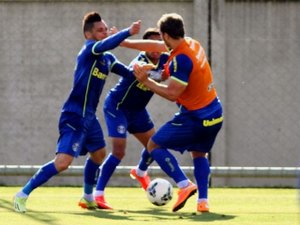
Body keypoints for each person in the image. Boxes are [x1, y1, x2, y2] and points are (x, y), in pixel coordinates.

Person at [13, 11, 141, 213]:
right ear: (88, 35)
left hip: (90, 117)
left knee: (99, 154)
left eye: (106, 29)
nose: (104, 33)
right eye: (100, 30)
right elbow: (106, 44)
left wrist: (151, 73)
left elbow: (129, 73)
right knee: (63, 163)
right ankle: (22, 194)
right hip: (74, 115)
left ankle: (88, 197)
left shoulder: (107, 59)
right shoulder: (90, 50)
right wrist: (128, 32)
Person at [123, 13, 223, 213]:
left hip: (196, 117)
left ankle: (184, 185)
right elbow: (157, 54)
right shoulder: (191, 43)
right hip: (215, 114)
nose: (160, 42)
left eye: (161, 37)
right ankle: (203, 201)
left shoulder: (181, 59)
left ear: (166, 35)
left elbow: (172, 93)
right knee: (199, 154)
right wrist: (125, 43)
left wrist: (146, 80)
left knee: (154, 144)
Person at [93, 28, 169, 209]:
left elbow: (172, 72)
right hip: (117, 107)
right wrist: (162, 72)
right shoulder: (139, 61)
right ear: (145, 47)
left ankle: (141, 172)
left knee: (155, 146)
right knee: (119, 151)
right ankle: (98, 194)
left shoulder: (166, 59)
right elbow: (151, 75)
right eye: (152, 44)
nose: (156, 48)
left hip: (138, 111)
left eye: (159, 44)